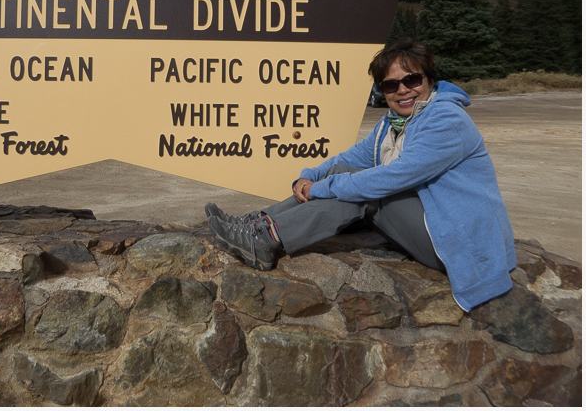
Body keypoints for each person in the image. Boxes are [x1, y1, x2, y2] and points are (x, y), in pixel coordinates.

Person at [206, 39, 516, 312]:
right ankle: (259, 224)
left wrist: (321, 188)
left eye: (412, 80)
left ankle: (267, 238)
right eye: (390, 85)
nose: (403, 90)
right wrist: (308, 175)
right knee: (346, 175)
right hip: (433, 223)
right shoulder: (394, 122)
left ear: (430, 79)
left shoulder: (446, 119)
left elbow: (393, 178)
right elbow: (352, 158)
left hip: (460, 242)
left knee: (367, 191)